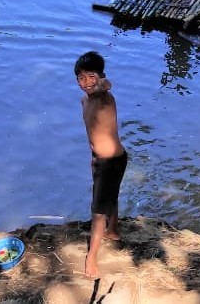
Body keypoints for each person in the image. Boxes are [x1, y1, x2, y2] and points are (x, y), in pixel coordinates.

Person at [74, 51, 128, 279]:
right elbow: (92, 132)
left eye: (91, 76)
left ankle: (92, 258)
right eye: (81, 78)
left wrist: (101, 83)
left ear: (101, 76)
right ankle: (113, 231)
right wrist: (93, 155)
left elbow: (106, 85)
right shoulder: (84, 101)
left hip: (113, 161)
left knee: (97, 213)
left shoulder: (106, 97)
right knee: (111, 195)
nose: (86, 82)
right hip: (102, 160)